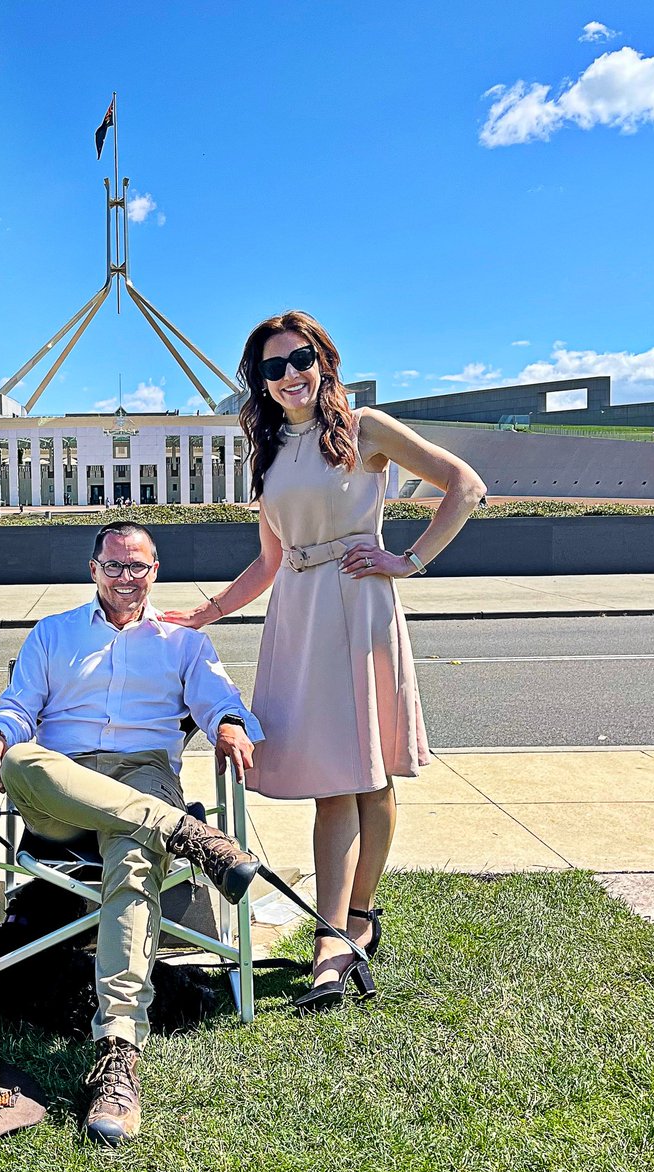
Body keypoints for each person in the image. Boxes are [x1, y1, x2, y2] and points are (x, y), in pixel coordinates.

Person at [165, 311, 484, 1011]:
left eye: (299, 359)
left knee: (366, 772)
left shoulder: (366, 428)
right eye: (273, 368)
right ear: (261, 382)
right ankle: (343, 928)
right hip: (300, 615)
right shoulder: (271, 447)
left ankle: (345, 928)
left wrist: (409, 561)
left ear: (324, 359)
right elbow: (272, 559)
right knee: (335, 778)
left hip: (358, 603)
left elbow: (464, 485)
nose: (289, 376)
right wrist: (207, 612)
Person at [0, 520, 262, 1147]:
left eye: (139, 568)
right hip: (64, 787)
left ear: (155, 572)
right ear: (93, 567)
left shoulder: (181, 641)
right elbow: (18, 706)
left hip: (144, 779)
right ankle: (190, 835)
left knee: (132, 863)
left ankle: (118, 1054)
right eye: (115, 566)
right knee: (23, 759)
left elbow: (219, 699)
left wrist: (231, 726)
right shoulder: (54, 634)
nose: (126, 579)